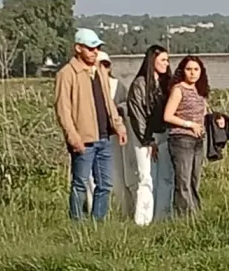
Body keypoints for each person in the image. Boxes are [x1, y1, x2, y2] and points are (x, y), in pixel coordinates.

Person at [54, 28, 127, 221]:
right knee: (80, 183)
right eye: (90, 48)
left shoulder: (99, 71)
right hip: (83, 139)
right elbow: (63, 109)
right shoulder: (67, 74)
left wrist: (118, 126)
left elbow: (108, 103)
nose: (95, 52)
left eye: (97, 48)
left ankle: (98, 222)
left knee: (105, 184)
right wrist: (73, 136)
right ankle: (77, 223)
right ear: (78, 48)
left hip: (104, 136)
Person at [126, 45, 174, 225]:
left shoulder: (167, 84)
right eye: (162, 60)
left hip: (164, 134)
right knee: (146, 177)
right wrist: (148, 140)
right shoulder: (139, 84)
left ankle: (162, 216)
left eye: (167, 60)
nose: (166, 64)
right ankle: (143, 220)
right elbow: (137, 114)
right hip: (145, 137)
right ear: (152, 60)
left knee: (165, 177)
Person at [163, 56, 210, 216]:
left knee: (194, 179)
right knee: (183, 180)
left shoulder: (200, 90)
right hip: (181, 139)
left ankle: (196, 213)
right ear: (183, 71)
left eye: (196, 69)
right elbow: (168, 116)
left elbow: (203, 113)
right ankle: (184, 216)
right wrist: (189, 124)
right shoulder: (178, 89)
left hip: (198, 139)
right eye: (189, 69)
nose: (192, 73)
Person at [89, 52, 132, 218]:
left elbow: (127, 103)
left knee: (118, 176)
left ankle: (125, 211)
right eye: (100, 64)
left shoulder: (117, 85)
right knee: (92, 178)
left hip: (113, 135)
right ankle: (96, 213)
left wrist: (119, 112)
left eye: (106, 64)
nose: (103, 68)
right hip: (92, 135)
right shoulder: (87, 84)